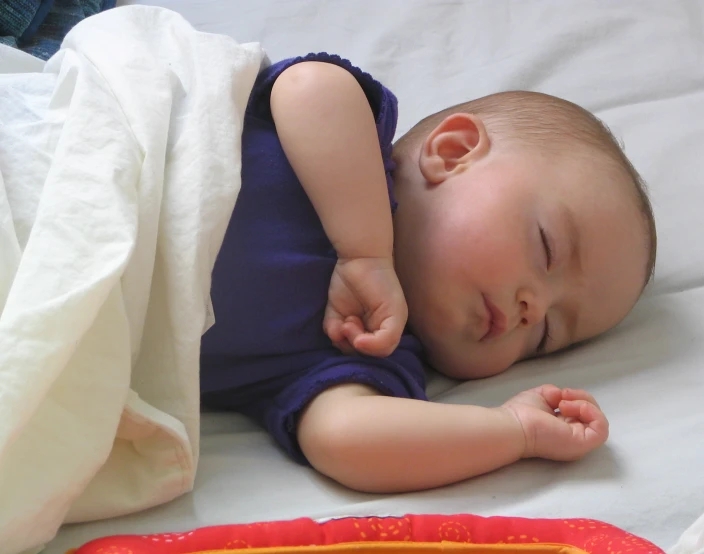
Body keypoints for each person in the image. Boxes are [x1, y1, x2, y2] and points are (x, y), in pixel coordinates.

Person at [200, 53, 657, 493]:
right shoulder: (355, 150)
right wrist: (364, 251)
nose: (532, 308)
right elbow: (307, 85)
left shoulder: (366, 356)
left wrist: (514, 431)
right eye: (547, 247)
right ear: (453, 152)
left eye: (546, 335)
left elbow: (343, 438)